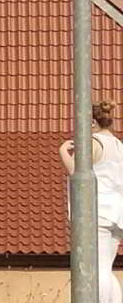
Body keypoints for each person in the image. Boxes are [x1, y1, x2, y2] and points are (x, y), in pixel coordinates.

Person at [59, 100, 123, 303]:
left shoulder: (92, 143)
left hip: (95, 211)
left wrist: (62, 152)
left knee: (95, 267)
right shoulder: (119, 146)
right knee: (106, 266)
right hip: (116, 213)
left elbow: (78, 174)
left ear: (93, 123)